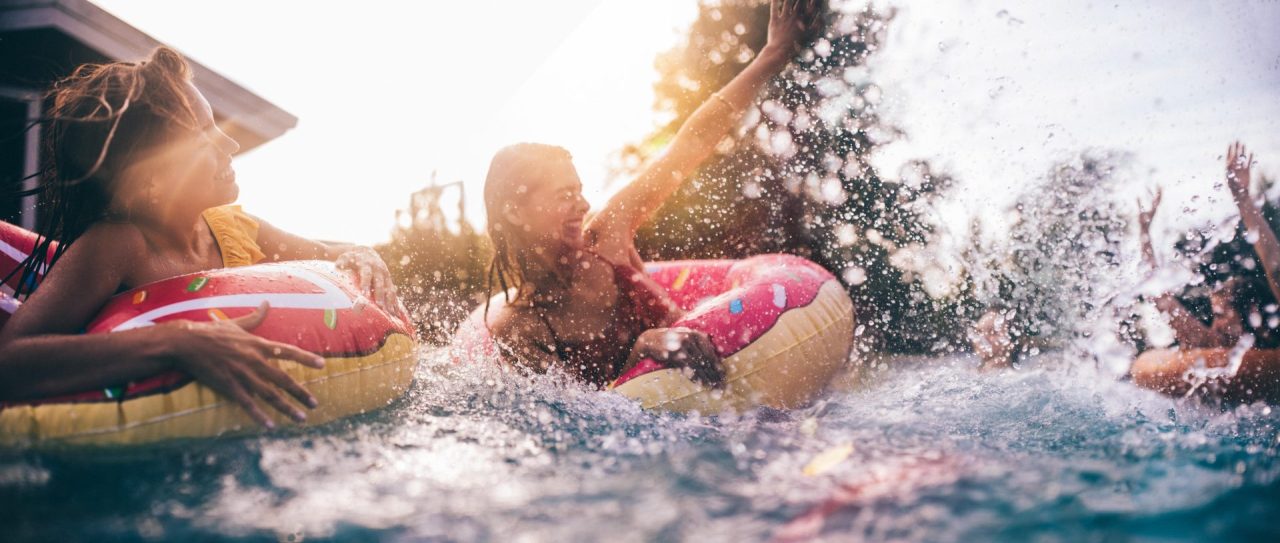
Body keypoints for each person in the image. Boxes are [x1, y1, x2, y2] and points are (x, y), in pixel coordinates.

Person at [0, 47, 397, 428]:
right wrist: (175, 342)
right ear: (150, 178)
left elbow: (331, 255)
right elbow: (11, 359)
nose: (230, 144)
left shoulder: (237, 230)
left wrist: (362, 256)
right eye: (202, 135)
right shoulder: (117, 246)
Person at [480, 0, 825, 387]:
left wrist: (772, 54)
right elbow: (571, 419)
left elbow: (689, 144)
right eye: (564, 195)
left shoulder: (607, 234)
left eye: (579, 190)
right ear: (514, 211)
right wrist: (643, 345)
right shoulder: (523, 327)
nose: (583, 204)